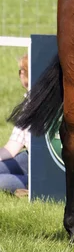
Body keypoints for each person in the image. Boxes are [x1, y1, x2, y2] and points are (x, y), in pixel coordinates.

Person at [0, 54, 29, 196]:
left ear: (24, 74)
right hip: (28, 158)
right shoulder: (27, 102)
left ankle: (31, 188)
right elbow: (12, 147)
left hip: (42, 168)